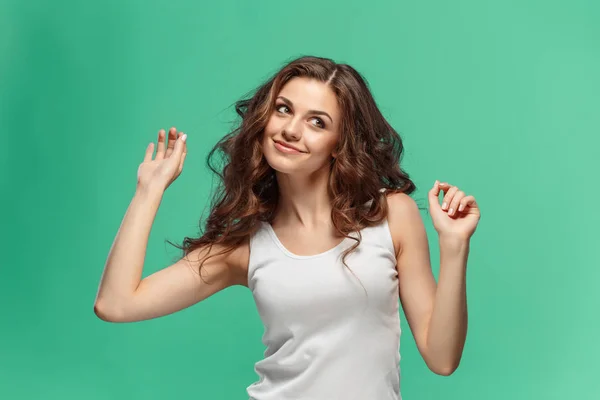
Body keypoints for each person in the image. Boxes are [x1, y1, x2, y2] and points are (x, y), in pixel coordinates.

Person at [94, 55, 481, 400]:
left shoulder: (390, 215)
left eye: (317, 122)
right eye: (283, 110)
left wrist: (454, 246)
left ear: (339, 143)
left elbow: (441, 357)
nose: (291, 130)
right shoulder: (245, 246)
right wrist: (149, 191)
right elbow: (116, 304)